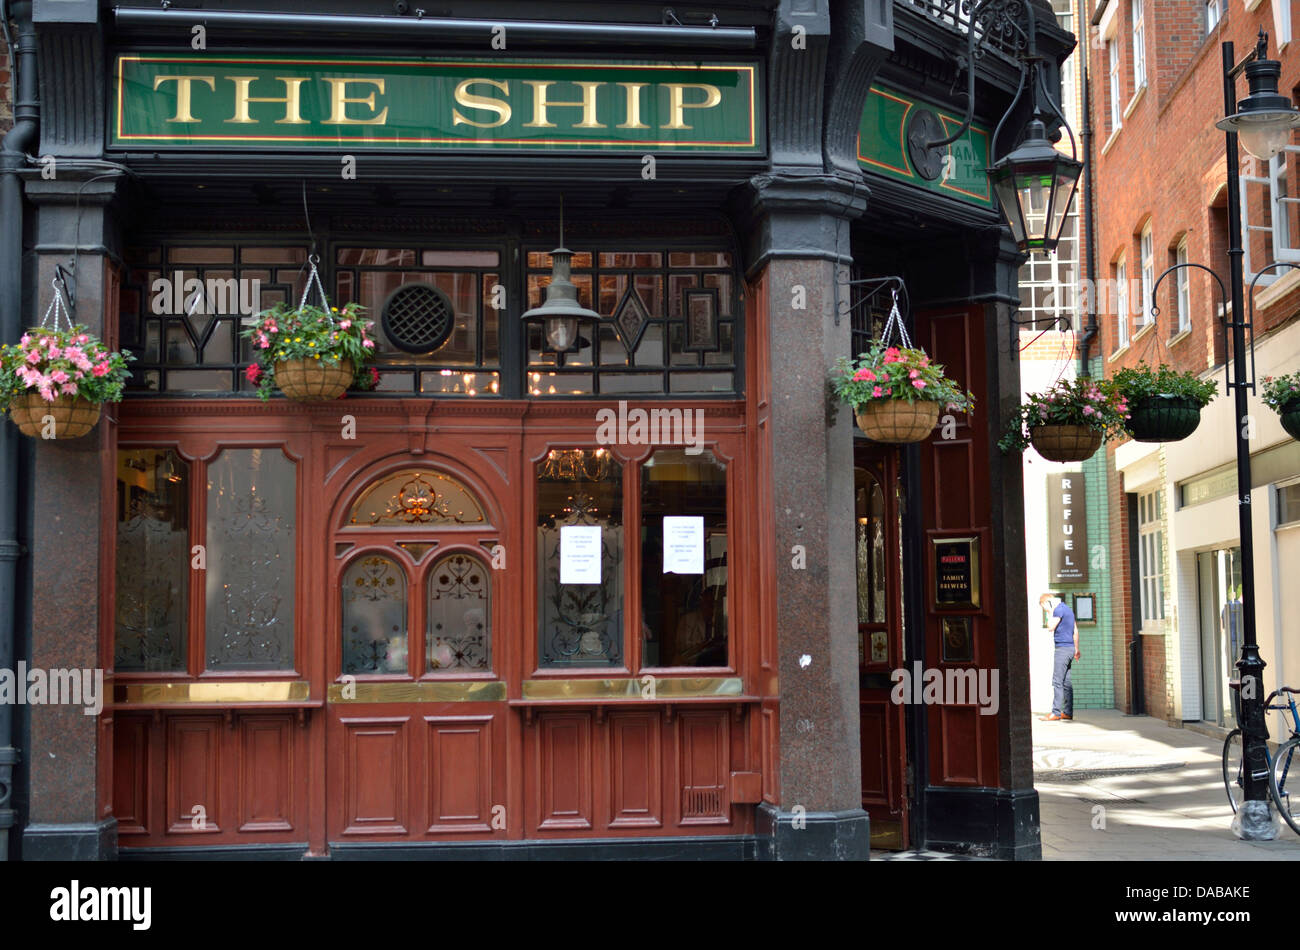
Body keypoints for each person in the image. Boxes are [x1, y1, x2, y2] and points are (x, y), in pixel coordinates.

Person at [1040, 592, 1080, 721]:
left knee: (1057, 681)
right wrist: (1076, 649)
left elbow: (1050, 626)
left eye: (1043, 606)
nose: (1044, 609)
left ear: (1047, 602)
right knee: (1066, 682)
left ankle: (1055, 713)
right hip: (1070, 648)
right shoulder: (1068, 609)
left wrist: (1049, 611)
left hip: (1062, 649)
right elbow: (1075, 630)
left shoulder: (1058, 610)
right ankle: (1067, 712)